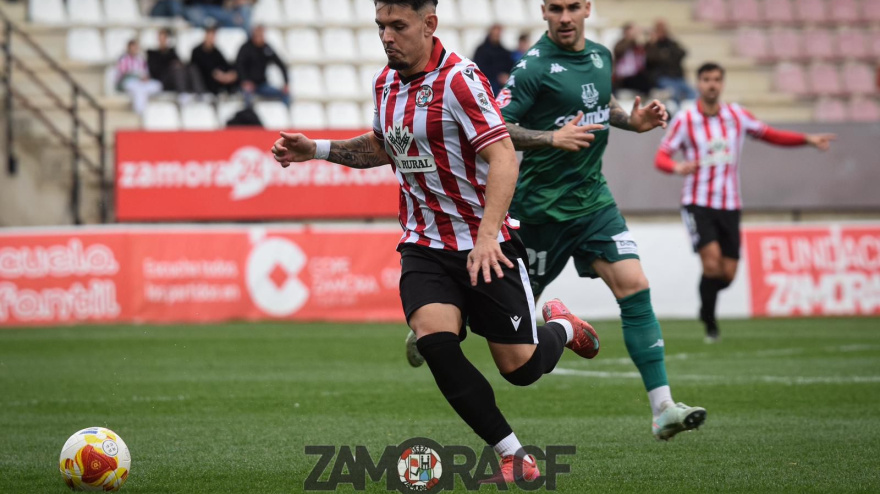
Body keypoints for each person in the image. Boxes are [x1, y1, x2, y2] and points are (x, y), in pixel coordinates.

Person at [272, 0, 600, 484]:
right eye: (380, 26)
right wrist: (316, 150)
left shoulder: (460, 79)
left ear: (429, 25)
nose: (387, 36)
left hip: (483, 245)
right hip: (423, 244)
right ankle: (514, 457)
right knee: (436, 343)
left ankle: (563, 328)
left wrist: (488, 236)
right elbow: (386, 146)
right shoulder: (385, 83)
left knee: (520, 370)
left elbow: (504, 158)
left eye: (397, 26)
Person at [410, 0, 706, 442]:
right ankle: (435, 323)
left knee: (635, 285)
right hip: (538, 213)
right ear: (543, 13)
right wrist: (551, 137)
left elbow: (598, 102)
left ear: (587, 8)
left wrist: (632, 120)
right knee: (511, 343)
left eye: (572, 7)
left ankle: (662, 407)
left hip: (593, 203)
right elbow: (497, 128)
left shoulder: (600, 56)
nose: (564, 17)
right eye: (555, 8)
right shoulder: (532, 69)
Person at [654, 62, 836, 343]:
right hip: (697, 202)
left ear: (722, 83)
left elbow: (770, 134)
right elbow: (661, 156)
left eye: (716, 79)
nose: (712, 84)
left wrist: (806, 139)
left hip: (730, 204)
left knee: (728, 274)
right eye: (706, 79)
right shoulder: (685, 119)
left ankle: (707, 303)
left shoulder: (737, 116)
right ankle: (709, 318)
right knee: (712, 264)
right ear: (699, 83)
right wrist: (676, 167)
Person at [236, 24, 290, 107]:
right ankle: (250, 118)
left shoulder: (266, 48)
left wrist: (286, 82)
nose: (261, 37)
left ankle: (287, 117)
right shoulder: (245, 48)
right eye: (258, 35)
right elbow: (239, 66)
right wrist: (245, 81)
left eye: (262, 35)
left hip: (262, 85)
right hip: (247, 85)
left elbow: (280, 64)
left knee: (286, 94)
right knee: (248, 99)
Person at [645, 20, 695, 105]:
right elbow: (651, 59)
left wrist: (669, 40)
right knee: (675, 94)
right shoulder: (650, 46)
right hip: (663, 77)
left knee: (693, 93)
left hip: (677, 77)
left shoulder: (671, 43)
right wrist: (653, 43)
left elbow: (682, 53)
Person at [147, 28, 201, 103]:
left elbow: (179, 62)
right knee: (176, 69)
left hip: (175, 78)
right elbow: (154, 70)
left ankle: (199, 93)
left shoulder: (172, 52)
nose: (163, 40)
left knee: (191, 67)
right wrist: (170, 66)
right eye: (161, 38)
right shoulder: (152, 54)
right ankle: (183, 94)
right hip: (163, 81)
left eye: (164, 38)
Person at [116, 40, 162, 115]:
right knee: (139, 89)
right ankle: (139, 112)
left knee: (157, 85)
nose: (134, 49)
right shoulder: (123, 59)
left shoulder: (141, 59)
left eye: (136, 47)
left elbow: (146, 73)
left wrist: (145, 78)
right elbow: (122, 73)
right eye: (132, 48)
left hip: (141, 82)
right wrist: (136, 76)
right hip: (129, 82)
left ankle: (146, 112)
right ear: (128, 48)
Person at [190, 26, 238, 95]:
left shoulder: (216, 51)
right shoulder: (196, 51)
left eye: (213, 36)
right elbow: (198, 67)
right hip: (203, 81)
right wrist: (216, 74)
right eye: (210, 36)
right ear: (205, 36)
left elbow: (224, 64)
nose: (211, 39)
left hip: (219, 79)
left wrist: (230, 74)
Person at [472, 24, 513, 95]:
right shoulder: (481, 50)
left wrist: (506, 75)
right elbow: (479, 68)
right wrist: (498, 76)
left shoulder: (504, 51)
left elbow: (509, 66)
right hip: (488, 82)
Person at [612, 22, 652, 96]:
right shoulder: (621, 44)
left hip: (636, 75)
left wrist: (648, 37)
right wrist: (629, 38)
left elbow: (648, 54)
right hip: (623, 78)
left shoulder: (637, 46)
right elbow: (619, 51)